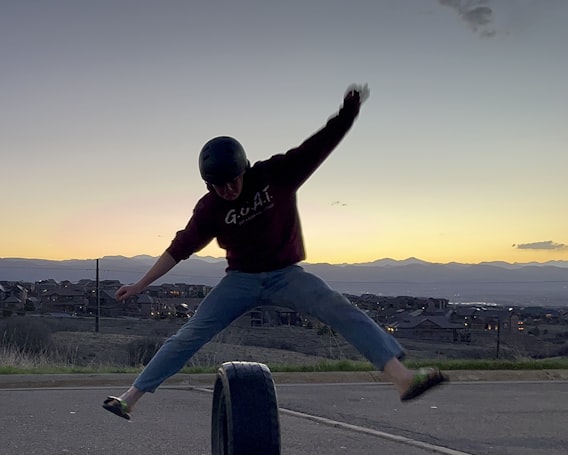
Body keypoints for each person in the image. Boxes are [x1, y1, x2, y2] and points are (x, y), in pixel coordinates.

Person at [102, 84, 447, 421]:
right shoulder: (209, 209)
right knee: (190, 334)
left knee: (339, 309)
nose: (228, 190)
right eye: (218, 185)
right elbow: (178, 249)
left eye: (233, 180)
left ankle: (403, 378)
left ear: (245, 169)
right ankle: (130, 398)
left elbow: (319, 146)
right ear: (208, 185)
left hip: (286, 275)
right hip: (241, 281)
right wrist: (139, 286)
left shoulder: (275, 174)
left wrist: (347, 114)